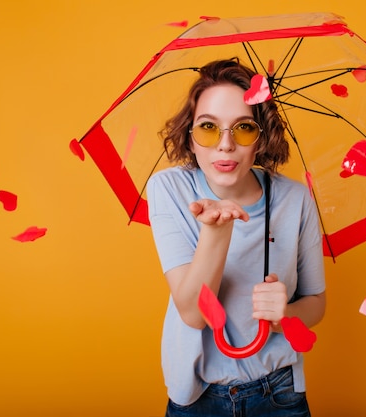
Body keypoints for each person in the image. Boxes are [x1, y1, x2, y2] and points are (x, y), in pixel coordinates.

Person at [147, 58, 326, 417]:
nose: (225, 145)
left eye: (243, 128)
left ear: (261, 139)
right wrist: (216, 230)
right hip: (197, 397)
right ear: (190, 138)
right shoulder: (169, 188)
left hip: (279, 392)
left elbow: (317, 303)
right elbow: (194, 314)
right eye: (208, 128)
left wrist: (285, 316)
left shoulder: (294, 199)